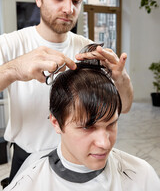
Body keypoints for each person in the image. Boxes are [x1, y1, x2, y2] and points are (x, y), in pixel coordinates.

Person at [0, 0, 133, 183]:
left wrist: (120, 78)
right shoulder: (10, 44)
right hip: (27, 156)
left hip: (79, 158)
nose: (69, 8)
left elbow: (126, 106)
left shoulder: (88, 49)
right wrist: (13, 70)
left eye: (76, 0)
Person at [3, 56, 160, 191]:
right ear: (56, 123)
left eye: (111, 124)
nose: (105, 143)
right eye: (87, 127)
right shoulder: (28, 184)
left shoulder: (141, 175)